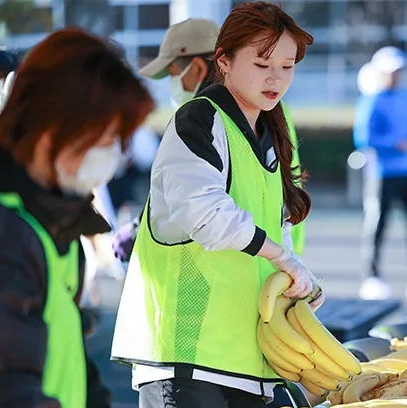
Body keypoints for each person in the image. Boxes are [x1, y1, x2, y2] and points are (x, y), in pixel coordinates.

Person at [110, 2, 320, 408]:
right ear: (223, 61)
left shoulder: (266, 130)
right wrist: (281, 257)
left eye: (287, 66)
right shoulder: (200, 119)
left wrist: (294, 279)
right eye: (262, 64)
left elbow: (276, 225)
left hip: (241, 357)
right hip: (183, 359)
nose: (276, 78)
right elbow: (203, 212)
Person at [0, 28, 173, 408]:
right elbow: (3, 388)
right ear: (53, 132)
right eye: (103, 138)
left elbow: (62, 342)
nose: (113, 155)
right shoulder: (4, 232)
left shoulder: (56, 219)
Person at [111, 16, 307, 262]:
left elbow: (196, 203)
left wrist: (137, 230)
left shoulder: (203, 118)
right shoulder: (268, 110)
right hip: (268, 253)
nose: (173, 83)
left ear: (197, 68)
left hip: (222, 263)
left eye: (173, 73)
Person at [353, 46, 407, 304]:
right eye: (391, 71)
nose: (396, 76)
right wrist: (395, 144)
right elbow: (363, 138)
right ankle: (372, 277)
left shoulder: (405, 97)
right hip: (381, 174)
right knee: (377, 225)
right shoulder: (371, 100)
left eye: (399, 71)